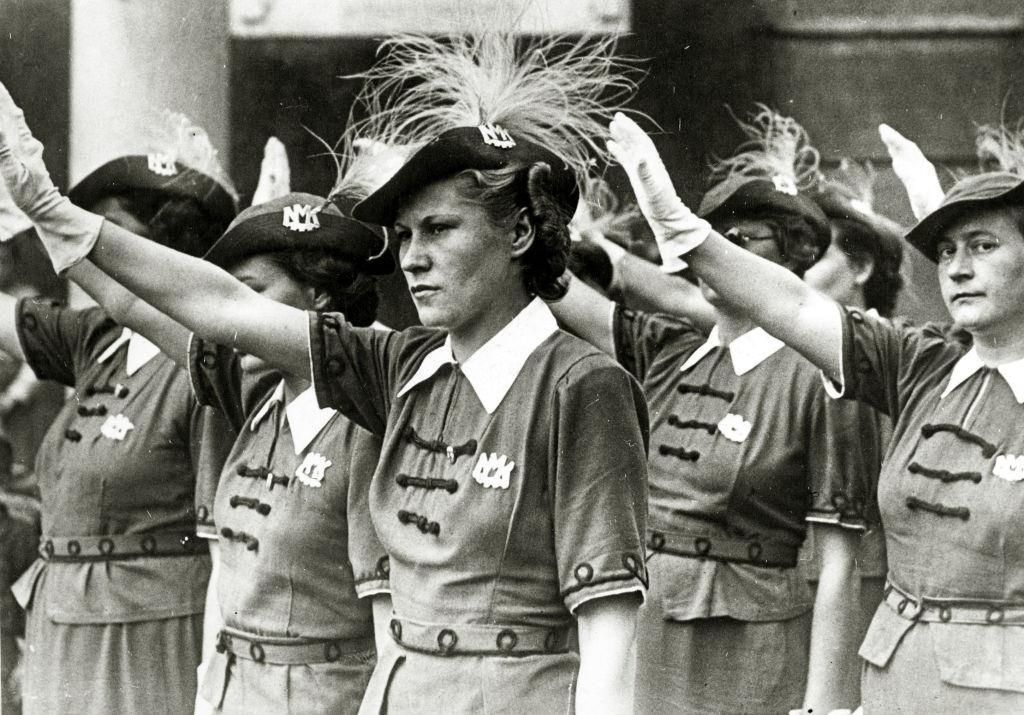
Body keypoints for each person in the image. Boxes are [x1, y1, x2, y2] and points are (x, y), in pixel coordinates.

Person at [0, 32, 650, 714]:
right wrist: (56, 216)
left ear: (519, 233)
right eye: (403, 237)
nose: (413, 258)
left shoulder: (582, 385)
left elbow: (610, 639)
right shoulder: (404, 367)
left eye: (440, 229)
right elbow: (225, 307)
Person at [598, 109, 1024, 711]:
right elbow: (795, 308)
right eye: (947, 249)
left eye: (982, 247)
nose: (955, 268)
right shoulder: (920, 365)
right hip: (894, 677)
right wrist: (679, 227)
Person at [550, 105, 874, 714]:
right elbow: (564, 294)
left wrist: (826, 706)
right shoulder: (668, 351)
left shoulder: (823, 379)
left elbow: (839, 564)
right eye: (709, 236)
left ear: (782, 264)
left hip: (753, 643)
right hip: (646, 623)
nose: (713, 255)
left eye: (739, 242)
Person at [89, 185, 394, 714]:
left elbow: (391, 621)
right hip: (235, 692)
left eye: (250, 292)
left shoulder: (368, 428)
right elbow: (127, 300)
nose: (223, 320)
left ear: (317, 296)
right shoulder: (255, 402)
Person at [0, 91, 238, 714]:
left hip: (150, 629)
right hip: (62, 617)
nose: (93, 255)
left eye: (113, 239)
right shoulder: (98, 337)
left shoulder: (213, 353)